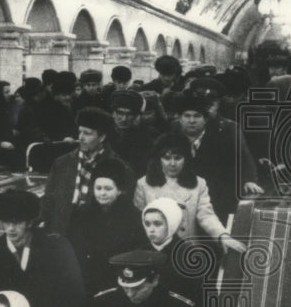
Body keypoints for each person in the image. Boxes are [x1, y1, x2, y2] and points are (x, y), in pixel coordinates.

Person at [134, 131, 246, 251]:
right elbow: (139, 223)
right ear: (158, 159)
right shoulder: (143, 184)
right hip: (156, 251)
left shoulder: (199, 183)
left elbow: (206, 215)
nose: (172, 163)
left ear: (186, 159)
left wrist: (222, 236)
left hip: (189, 252)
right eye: (166, 158)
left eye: (178, 158)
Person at [173, 91, 262, 225]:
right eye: (187, 116)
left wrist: (248, 180)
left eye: (197, 116)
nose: (191, 121)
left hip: (215, 198)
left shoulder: (224, 135)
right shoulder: (171, 137)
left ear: (206, 119)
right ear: (179, 118)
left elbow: (243, 157)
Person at [41, 107, 130, 236]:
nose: (81, 138)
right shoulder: (62, 163)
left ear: (102, 137)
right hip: (62, 236)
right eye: (80, 132)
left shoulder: (118, 167)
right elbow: (48, 201)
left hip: (96, 238)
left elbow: (122, 210)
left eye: (87, 133)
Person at [65, 158, 146, 297]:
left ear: (120, 190)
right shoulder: (81, 215)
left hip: (119, 282)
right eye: (98, 188)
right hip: (87, 281)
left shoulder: (133, 217)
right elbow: (73, 250)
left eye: (108, 189)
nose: (102, 193)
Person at [109, 89, 160, 178]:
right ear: (113, 113)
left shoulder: (149, 136)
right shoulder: (104, 133)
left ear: (137, 116)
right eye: (120, 113)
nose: (124, 118)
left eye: (129, 114)